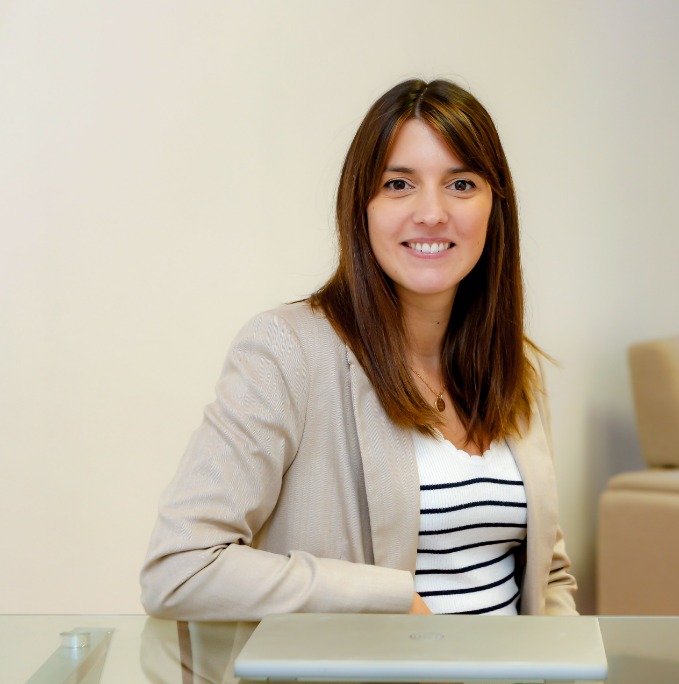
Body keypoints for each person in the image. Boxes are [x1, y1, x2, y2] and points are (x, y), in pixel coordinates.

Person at [139, 78, 578, 621]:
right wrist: (387, 599)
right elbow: (181, 569)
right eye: (399, 184)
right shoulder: (287, 351)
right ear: (361, 206)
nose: (432, 212)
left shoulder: (517, 365)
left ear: (495, 206)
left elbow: (548, 573)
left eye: (461, 183)